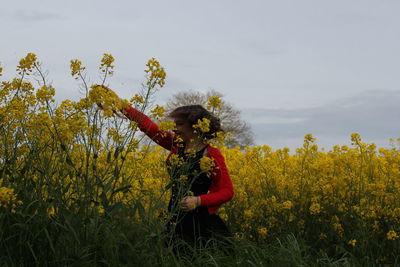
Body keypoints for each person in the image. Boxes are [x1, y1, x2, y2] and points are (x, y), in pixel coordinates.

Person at [98, 86, 234, 252]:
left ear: (196, 127)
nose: (174, 128)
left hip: (199, 222)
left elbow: (227, 191)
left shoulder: (212, 155)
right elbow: (149, 126)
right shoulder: (176, 145)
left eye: (180, 124)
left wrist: (198, 201)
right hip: (175, 217)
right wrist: (119, 104)